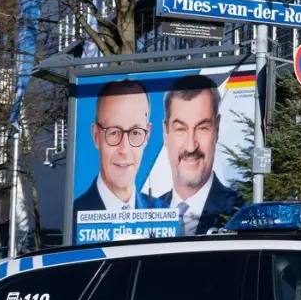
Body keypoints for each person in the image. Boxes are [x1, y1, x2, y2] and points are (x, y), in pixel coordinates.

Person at [157, 74, 244, 235]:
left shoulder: (239, 211)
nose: (191, 146)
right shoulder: (147, 214)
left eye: (202, 128)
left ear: (216, 129)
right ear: (165, 132)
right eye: (181, 129)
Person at [73, 79, 160, 214]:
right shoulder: (73, 216)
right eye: (114, 132)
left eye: (135, 132)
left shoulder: (164, 215)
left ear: (147, 136)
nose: (124, 150)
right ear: (96, 136)